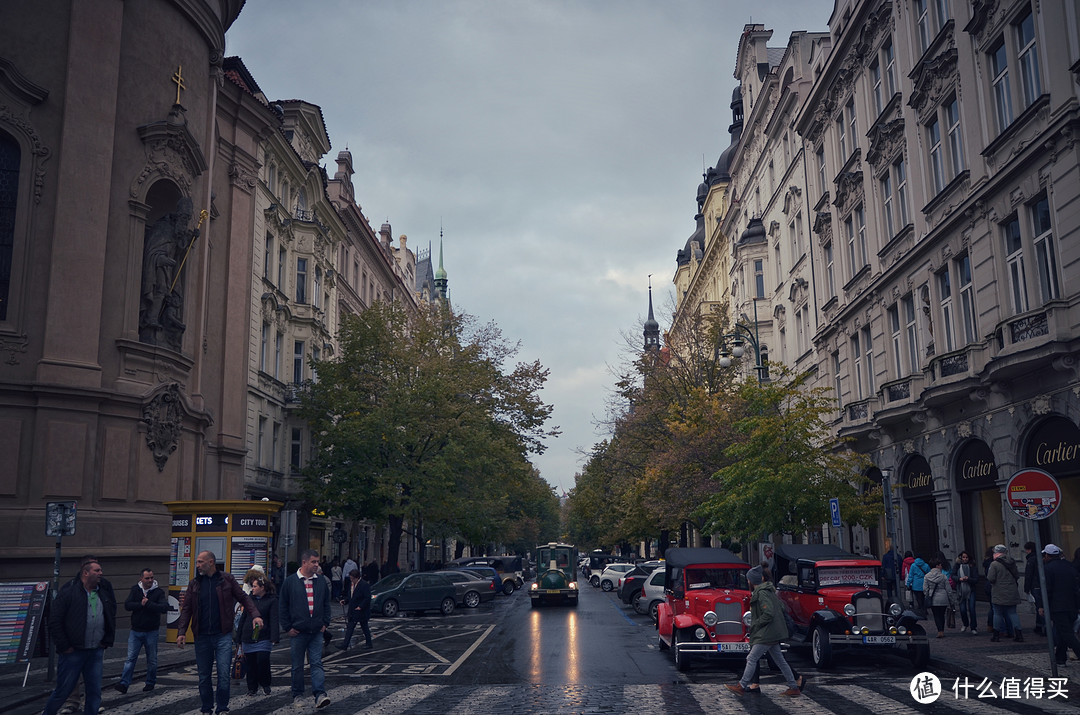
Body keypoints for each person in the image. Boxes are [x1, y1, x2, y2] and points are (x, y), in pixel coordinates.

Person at [176, 551, 263, 715]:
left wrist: (255, 615)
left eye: (201, 562)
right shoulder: (194, 584)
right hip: (201, 636)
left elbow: (244, 598)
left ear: (211, 562)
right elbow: (187, 609)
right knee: (204, 676)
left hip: (222, 634)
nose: (198, 565)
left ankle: (222, 707)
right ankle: (206, 708)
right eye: (197, 562)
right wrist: (181, 632)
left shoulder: (226, 580)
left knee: (223, 674)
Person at [43, 559, 116, 715]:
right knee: (63, 690)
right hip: (73, 651)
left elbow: (111, 614)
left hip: (95, 650)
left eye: (100, 570)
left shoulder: (103, 592)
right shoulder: (69, 592)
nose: (101, 573)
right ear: (85, 573)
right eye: (97, 571)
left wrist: (107, 640)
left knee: (94, 690)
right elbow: (55, 621)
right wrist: (64, 646)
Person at [725, 566, 800, 697]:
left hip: (767, 633)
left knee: (752, 658)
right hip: (774, 632)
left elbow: (768, 613)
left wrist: (755, 624)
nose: (747, 582)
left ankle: (741, 686)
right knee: (780, 660)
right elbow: (780, 607)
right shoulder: (769, 591)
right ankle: (793, 687)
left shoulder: (761, 593)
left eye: (748, 579)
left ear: (751, 581)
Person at [280, 549, 332, 709]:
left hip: (316, 630)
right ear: (304, 562)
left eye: (317, 562)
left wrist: (325, 623)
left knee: (316, 663)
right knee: (297, 665)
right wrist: (287, 627)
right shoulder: (290, 582)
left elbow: (326, 604)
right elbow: (283, 606)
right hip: (298, 631)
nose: (317, 565)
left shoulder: (321, 581)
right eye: (314, 562)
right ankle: (298, 694)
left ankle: (320, 694)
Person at [116, 568, 169, 694]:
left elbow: (163, 608)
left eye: (151, 577)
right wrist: (141, 604)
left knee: (152, 659)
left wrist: (149, 604)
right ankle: (124, 683)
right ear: (141, 579)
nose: (150, 580)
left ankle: (150, 682)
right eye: (147, 578)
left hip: (151, 631)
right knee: (130, 658)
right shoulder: (135, 590)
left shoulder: (158, 592)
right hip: (136, 630)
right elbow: (128, 605)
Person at [1034, 543, 1080, 666]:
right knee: (1062, 632)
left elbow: (1046, 590)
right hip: (1071, 605)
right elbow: (1076, 587)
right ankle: (1060, 658)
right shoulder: (1069, 566)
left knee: (1067, 633)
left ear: (1048, 556)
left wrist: (1042, 606)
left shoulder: (1048, 569)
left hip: (1058, 606)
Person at [236, 574, 279, 696]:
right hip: (248, 636)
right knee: (250, 664)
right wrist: (238, 638)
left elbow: (274, 619)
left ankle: (265, 684)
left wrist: (274, 637)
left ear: (262, 587)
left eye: (254, 586)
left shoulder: (272, 600)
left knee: (262, 661)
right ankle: (252, 688)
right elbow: (243, 619)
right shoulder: (249, 600)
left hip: (263, 636)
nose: (252, 589)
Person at [986, 544, 1023, 642]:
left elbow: (991, 578)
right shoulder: (1011, 561)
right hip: (1012, 591)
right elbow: (1016, 575)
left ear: (996, 552)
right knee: (1013, 613)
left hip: (999, 592)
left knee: (997, 613)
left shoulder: (994, 564)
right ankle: (1019, 634)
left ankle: (996, 635)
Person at [923, 557, 956, 638]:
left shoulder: (927, 576)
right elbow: (949, 590)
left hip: (933, 598)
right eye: (940, 565)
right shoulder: (943, 576)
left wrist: (928, 595)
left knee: (936, 615)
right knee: (942, 614)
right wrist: (951, 600)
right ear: (937, 566)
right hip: (943, 598)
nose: (941, 566)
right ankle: (942, 630)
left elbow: (925, 589)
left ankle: (939, 630)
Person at [341, 569, 372, 650]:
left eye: (352, 579)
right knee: (350, 627)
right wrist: (345, 601)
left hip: (361, 611)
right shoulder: (352, 585)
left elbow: (367, 597)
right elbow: (351, 596)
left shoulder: (364, 585)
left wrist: (360, 606)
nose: (351, 580)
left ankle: (369, 643)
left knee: (364, 627)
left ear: (357, 578)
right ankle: (345, 644)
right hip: (353, 610)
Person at [952, 551, 980, 634]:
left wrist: (969, 579)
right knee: (962, 609)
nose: (965, 559)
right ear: (960, 557)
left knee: (972, 609)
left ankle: (973, 627)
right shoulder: (957, 566)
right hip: (961, 589)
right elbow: (952, 575)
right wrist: (959, 579)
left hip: (971, 590)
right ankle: (965, 623)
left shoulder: (973, 567)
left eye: (966, 557)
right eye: (963, 557)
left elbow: (976, 579)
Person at [1023, 541, 1046, 635]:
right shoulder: (1041, 558)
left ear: (1029, 550)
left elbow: (1029, 575)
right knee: (1040, 607)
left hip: (1035, 586)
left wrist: (1026, 588)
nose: (1026, 552)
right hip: (1041, 585)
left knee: (1039, 608)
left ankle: (1043, 627)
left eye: (1026, 550)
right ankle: (1039, 626)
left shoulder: (1031, 560)